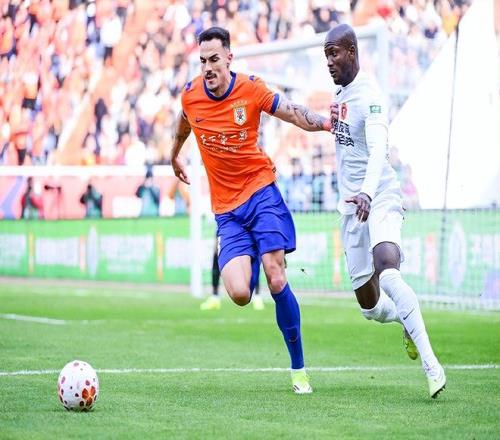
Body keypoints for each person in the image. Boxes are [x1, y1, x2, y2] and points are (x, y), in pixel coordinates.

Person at [171, 27, 331, 394]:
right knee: (240, 293)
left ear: (229, 57)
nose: (207, 67)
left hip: (260, 193)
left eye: (214, 59)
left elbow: (292, 113)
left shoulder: (251, 89)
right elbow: (183, 121)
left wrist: (325, 123)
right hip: (227, 212)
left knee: (276, 277)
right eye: (202, 61)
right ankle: (257, 250)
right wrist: (173, 154)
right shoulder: (192, 95)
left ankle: (298, 370)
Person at [325, 24, 445, 398]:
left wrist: (366, 191)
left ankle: (432, 366)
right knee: (370, 307)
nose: (329, 61)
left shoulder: (371, 96)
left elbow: (379, 148)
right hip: (351, 209)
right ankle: (404, 320)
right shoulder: (339, 94)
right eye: (326, 55)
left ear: (352, 51)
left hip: (379, 196)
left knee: (388, 269)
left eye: (334, 53)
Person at [200, 233, 265, 311]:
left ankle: (257, 296)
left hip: (248, 230)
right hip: (225, 229)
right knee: (217, 254)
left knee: (252, 258)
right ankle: (214, 297)